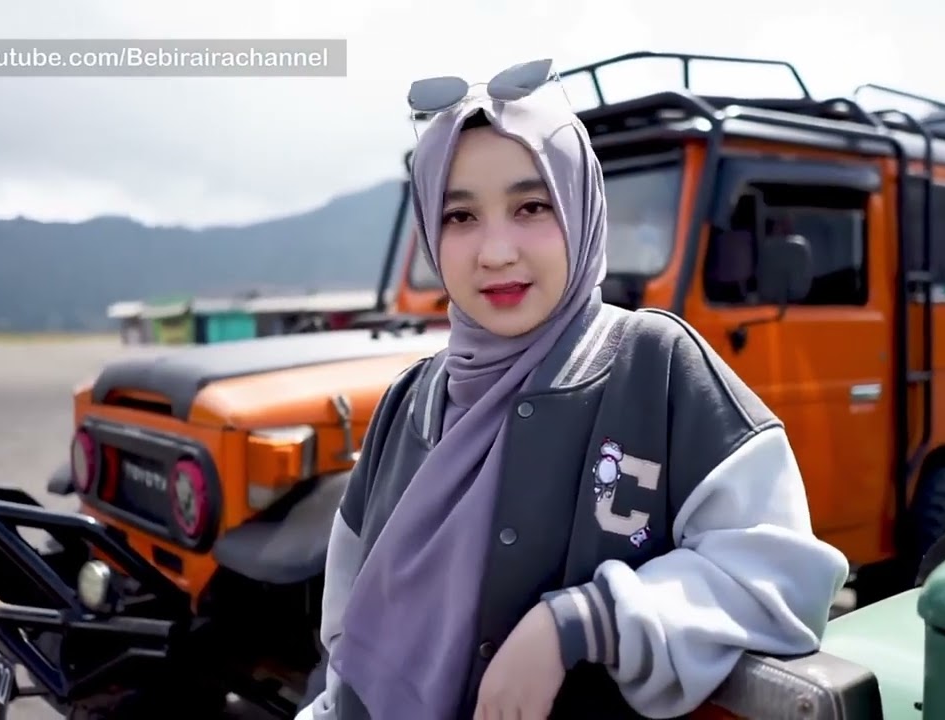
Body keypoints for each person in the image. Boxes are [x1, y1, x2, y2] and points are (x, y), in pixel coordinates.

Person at [295, 59, 850, 720]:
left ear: (581, 205)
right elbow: (347, 628)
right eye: (460, 216)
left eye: (531, 206)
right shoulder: (409, 401)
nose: (495, 251)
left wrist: (584, 621)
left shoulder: (656, 366)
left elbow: (778, 577)